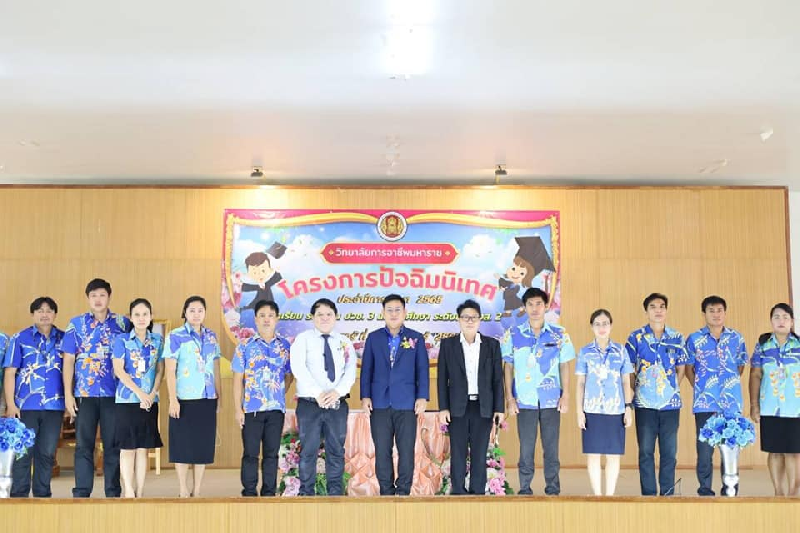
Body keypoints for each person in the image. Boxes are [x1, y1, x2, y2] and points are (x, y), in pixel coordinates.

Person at [61, 278, 130, 498]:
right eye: (93, 296)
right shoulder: (76, 324)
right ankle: (82, 492)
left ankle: (113, 491)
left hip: (114, 394)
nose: (98, 299)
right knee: (84, 445)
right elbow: (68, 361)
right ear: (88, 298)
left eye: (102, 295)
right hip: (85, 394)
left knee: (113, 445)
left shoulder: (123, 324)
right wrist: (68, 394)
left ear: (109, 297)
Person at [502, 287, 575, 495]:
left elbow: (564, 365)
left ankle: (553, 488)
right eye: (530, 304)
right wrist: (510, 398)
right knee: (526, 448)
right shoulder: (513, 334)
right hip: (524, 401)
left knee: (551, 448)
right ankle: (525, 488)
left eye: (539, 304)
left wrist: (566, 395)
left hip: (551, 399)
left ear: (546, 306)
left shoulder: (559, 334)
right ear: (524, 307)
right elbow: (508, 367)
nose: (535, 309)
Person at [360, 294, 429, 496]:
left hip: (407, 403)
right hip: (379, 403)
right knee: (382, 450)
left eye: (397, 309)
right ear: (383, 313)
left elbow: (422, 369)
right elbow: (366, 369)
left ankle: (404, 491)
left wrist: (422, 396)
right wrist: (365, 396)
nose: (393, 313)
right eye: (389, 310)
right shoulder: (373, 338)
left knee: (406, 450)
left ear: (405, 312)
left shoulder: (416, 338)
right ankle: (386, 492)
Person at [437, 299, 505, 495]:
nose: (469, 321)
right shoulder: (448, 345)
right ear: (459, 320)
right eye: (465, 317)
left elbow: (497, 379)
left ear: (479, 320)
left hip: (483, 407)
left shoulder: (491, 345)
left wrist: (499, 408)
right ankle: (458, 492)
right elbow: (442, 379)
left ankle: (477, 493)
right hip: (457, 407)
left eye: (473, 317)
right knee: (458, 452)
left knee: (479, 453)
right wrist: (443, 408)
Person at [290, 298, 356, 496]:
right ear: (313, 317)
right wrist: (317, 393)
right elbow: (298, 368)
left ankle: (335, 494)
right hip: (310, 404)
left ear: (335, 316)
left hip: (337, 404)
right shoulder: (303, 339)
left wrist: (337, 392)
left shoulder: (345, 342)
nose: (325, 318)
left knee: (336, 451)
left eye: (329, 314)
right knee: (308, 451)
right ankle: (306, 494)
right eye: (320, 314)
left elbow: (350, 371)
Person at [2, 297, 65, 497]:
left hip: (54, 406)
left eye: (49, 310)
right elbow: (10, 373)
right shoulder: (20, 338)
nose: (44, 314)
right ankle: (19, 498)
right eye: (40, 310)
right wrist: (11, 404)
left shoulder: (64, 339)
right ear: (32, 314)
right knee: (22, 454)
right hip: (25, 406)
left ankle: (42, 496)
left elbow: (70, 372)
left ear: (55, 314)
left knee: (46, 454)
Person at [626, 292, 687, 496]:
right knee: (646, 451)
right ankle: (649, 494)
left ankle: (667, 493)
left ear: (666, 310)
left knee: (669, 452)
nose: (658, 310)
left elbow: (681, 368)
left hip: (670, 404)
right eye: (653, 307)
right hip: (644, 403)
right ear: (646, 311)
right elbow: (629, 369)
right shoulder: (635, 338)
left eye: (662, 306)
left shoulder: (677, 337)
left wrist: (670, 389)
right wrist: (633, 391)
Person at [685, 295, 747, 496]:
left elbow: (740, 366)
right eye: (711, 310)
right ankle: (705, 489)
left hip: (731, 403)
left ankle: (730, 489)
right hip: (705, 403)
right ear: (704, 314)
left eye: (719, 310)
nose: (716, 314)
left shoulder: (736, 338)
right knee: (705, 450)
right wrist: (702, 389)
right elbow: (688, 369)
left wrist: (727, 386)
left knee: (730, 448)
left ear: (725, 313)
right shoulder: (694, 339)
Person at [232, 299, 293, 497]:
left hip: (276, 410)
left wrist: (278, 393)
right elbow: (237, 379)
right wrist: (238, 409)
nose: (267, 319)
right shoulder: (245, 346)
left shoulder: (285, 346)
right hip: (251, 410)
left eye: (271, 316)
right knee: (250, 453)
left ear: (277, 319)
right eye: (262, 316)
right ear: (256, 319)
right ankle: (249, 492)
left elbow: (289, 375)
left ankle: (269, 492)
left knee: (271, 454)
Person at [163, 295, 222, 498]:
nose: (196, 314)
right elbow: (170, 370)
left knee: (202, 446)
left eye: (200, 310)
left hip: (207, 398)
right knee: (182, 445)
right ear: (185, 312)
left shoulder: (211, 336)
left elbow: (215, 367)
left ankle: (197, 490)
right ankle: (182, 488)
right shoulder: (175, 336)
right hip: (183, 399)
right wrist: (173, 400)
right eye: (192, 310)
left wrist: (219, 397)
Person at [575, 309, 633, 496]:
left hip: (615, 409)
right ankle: (597, 496)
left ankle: (609, 496)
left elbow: (626, 381)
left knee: (613, 455)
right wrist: (579, 411)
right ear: (592, 327)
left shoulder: (621, 351)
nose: (602, 327)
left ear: (611, 325)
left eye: (605, 323)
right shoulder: (585, 352)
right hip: (591, 409)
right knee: (593, 455)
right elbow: (581, 383)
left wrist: (628, 408)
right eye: (597, 324)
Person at [111, 298, 164, 498]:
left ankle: (140, 491)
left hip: (150, 401)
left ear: (151, 316)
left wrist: (151, 393)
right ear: (131, 318)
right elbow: (119, 370)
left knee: (143, 449)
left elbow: (160, 370)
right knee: (127, 449)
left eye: (145, 314)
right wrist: (140, 393)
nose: (141, 318)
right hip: (127, 401)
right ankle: (129, 491)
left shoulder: (158, 341)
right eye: (137, 315)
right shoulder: (122, 340)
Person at [749, 302, 800, 496]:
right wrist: (754, 404)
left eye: (785, 317)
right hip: (770, 406)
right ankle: (778, 492)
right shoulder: (763, 345)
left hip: (795, 407)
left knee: (794, 451)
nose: (781, 321)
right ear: (771, 321)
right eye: (777, 317)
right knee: (775, 450)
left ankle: (793, 494)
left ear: (792, 322)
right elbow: (755, 374)